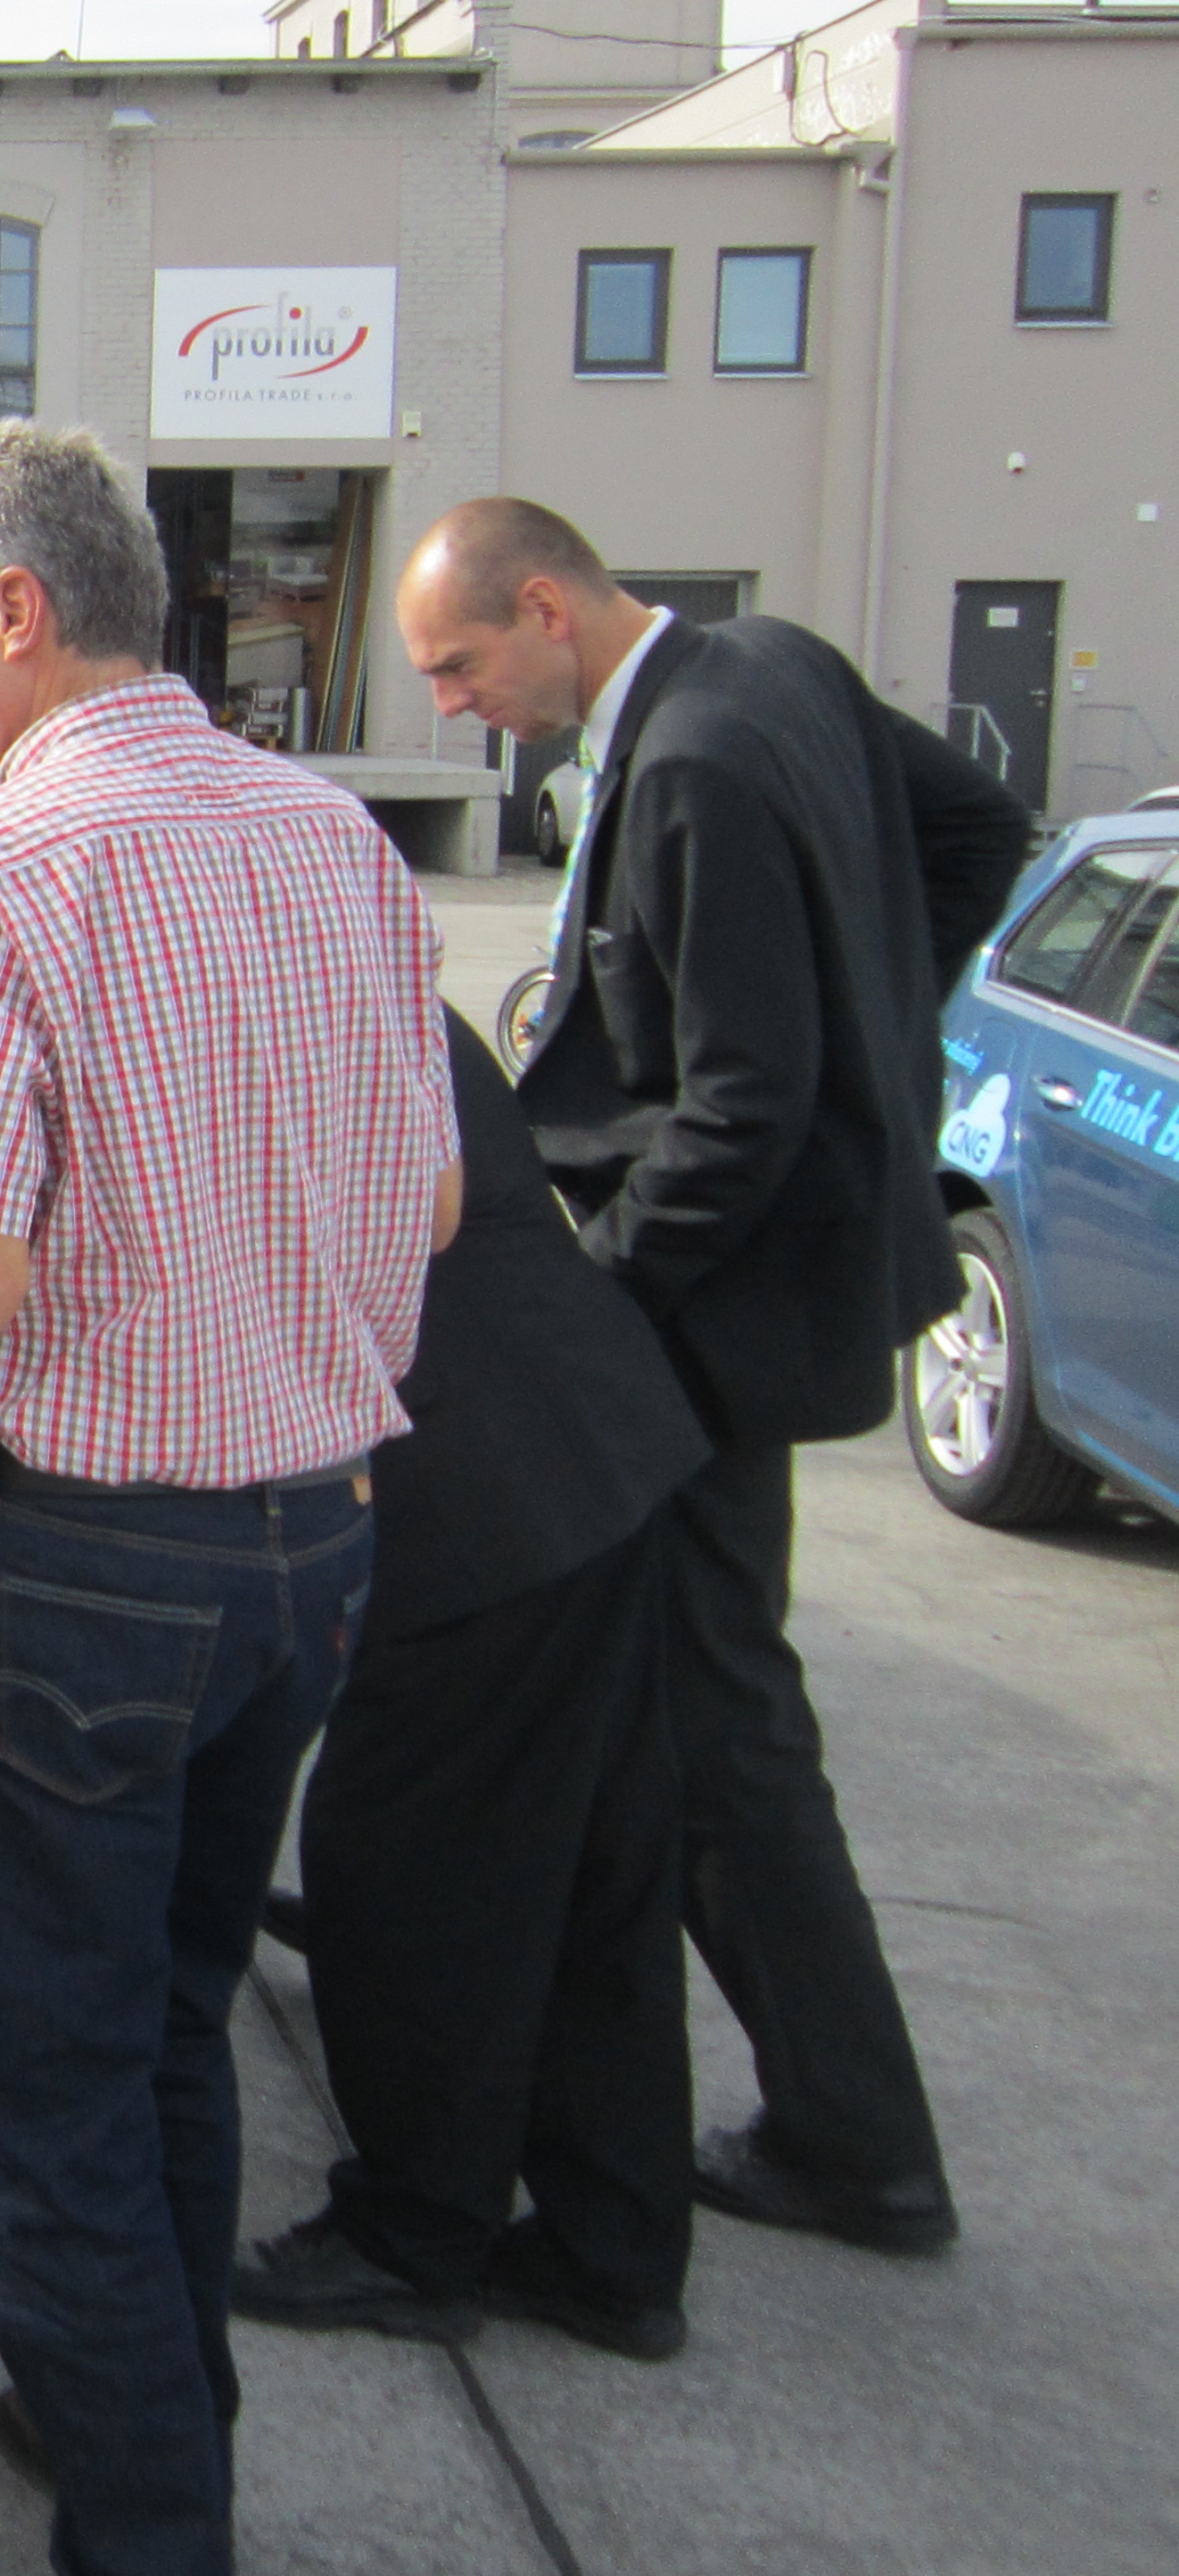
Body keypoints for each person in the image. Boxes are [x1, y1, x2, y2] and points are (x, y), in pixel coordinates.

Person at [0, 423, 457, 2576]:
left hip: (87, 1575)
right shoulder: (341, 841)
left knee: (48, 2091)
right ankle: (149, 2415)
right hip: (313, 1553)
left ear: (17, 612)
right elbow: (437, 1205)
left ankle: (153, 2521)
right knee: (172, 2016)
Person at [397, 498, 1031, 2257]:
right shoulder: (779, 666)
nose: (451, 705)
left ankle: (854, 2138)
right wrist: (881, 1028)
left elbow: (743, 1110)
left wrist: (601, 1305)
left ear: (547, 605)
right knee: (676, 1699)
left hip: (715, 1319)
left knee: (721, 1725)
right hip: (783, 1279)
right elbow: (980, 826)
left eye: (459, 664)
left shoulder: (696, 765)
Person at [234, 1009, 713, 2361]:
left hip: (481, 1485)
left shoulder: (271, 1005)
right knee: (592, 1878)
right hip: (592, 1441)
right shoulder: (380, 975)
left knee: (408, 1871)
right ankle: (613, 2248)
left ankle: (416, 2233)